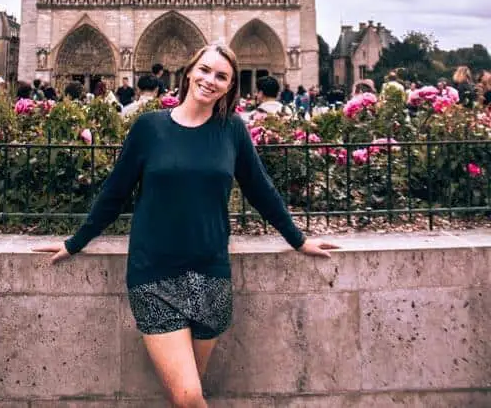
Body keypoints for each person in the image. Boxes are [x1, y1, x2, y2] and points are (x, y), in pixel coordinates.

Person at [34, 44, 339, 407]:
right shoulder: (149, 128)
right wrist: (75, 242)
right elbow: (114, 194)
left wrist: (298, 239)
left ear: (229, 87)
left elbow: (261, 190)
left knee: (185, 396)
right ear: (189, 72)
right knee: (189, 396)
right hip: (153, 275)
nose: (211, 80)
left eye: (221, 76)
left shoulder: (232, 131)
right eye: (205, 70)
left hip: (211, 275)